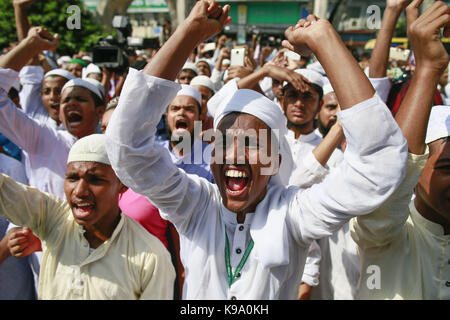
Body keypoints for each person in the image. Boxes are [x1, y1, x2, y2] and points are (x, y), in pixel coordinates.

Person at [105, 0, 407, 299]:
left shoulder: (292, 214)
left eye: (251, 144)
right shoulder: (196, 206)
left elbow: (378, 165)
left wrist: (324, 38)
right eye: (224, 142)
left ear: (275, 160)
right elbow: (126, 148)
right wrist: (188, 33)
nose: (234, 154)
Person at [351, 0, 450, 300]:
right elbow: (392, 182)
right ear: (417, 169)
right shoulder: (385, 232)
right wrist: (427, 69)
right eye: (447, 168)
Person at [0, 133, 175, 299]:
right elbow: (5, 193)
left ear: (122, 185)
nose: (80, 191)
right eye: (73, 178)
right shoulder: (52, 219)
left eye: (95, 180)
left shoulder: (151, 258)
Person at [0, 26, 105, 199]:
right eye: (65, 100)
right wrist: (29, 45)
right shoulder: (42, 138)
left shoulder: (112, 147)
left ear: (100, 111)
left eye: (80, 99)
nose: (70, 104)